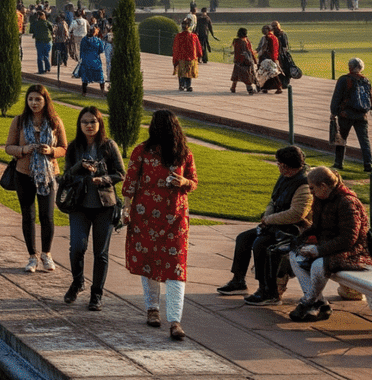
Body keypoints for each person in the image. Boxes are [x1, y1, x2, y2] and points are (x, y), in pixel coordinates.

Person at [123, 109, 198, 341]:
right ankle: (152, 308)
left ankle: (175, 320)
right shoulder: (142, 152)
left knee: (176, 267)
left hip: (175, 219)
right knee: (149, 262)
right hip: (146, 217)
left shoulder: (183, 154)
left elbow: (193, 182)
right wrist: (126, 208)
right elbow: (131, 182)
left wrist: (183, 181)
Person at [215, 145, 312, 305]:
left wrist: (270, 219)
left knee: (261, 244)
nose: (278, 166)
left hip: (295, 230)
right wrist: (267, 216)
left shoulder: (304, 184)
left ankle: (268, 291)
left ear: (287, 166)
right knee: (244, 238)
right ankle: (238, 280)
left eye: (279, 163)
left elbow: (297, 214)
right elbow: (273, 201)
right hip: (277, 225)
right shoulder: (285, 177)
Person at [287, 166, 370, 322]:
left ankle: (308, 302)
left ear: (323, 186)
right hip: (329, 247)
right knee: (294, 255)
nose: (310, 192)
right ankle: (320, 303)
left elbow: (348, 239)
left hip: (353, 252)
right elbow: (317, 227)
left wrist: (319, 250)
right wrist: (299, 240)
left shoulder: (348, 202)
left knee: (318, 265)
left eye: (312, 188)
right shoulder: (320, 199)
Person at [61, 106, 124, 310]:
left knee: (101, 253)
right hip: (79, 204)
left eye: (93, 122)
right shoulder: (74, 147)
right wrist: (80, 166)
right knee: (77, 248)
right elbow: (67, 176)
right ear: (80, 125)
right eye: (85, 122)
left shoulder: (109, 146)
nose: (89, 125)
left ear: (100, 123)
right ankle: (78, 281)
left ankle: (96, 293)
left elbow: (121, 174)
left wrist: (103, 179)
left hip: (104, 205)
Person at [4, 85, 67, 273]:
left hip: (48, 174)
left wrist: (51, 151)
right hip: (24, 173)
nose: (34, 103)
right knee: (28, 215)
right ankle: (32, 256)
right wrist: (23, 150)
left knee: (47, 216)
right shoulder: (20, 121)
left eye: (38, 99)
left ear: (45, 100)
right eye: (30, 99)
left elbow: (64, 147)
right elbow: (9, 146)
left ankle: (46, 254)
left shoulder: (55, 121)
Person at [330, 57, 371, 172]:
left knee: (341, 139)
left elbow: (337, 97)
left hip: (345, 115)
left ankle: (338, 163)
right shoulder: (365, 80)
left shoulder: (344, 79)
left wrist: (333, 112)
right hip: (362, 115)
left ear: (350, 67)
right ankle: (368, 164)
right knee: (364, 141)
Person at [172, 17, 203, 92]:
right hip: (191, 58)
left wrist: (175, 58)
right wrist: (199, 55)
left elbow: (175, 48)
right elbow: (198, 47)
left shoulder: (178, 36)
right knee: (189, 72)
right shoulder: (194, 36)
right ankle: (188, 85)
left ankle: (181, 85)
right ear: (189, 26)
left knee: (181, 72)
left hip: (181, 57)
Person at [76, 25, 106, 95]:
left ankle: (84, 93)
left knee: (85, 78)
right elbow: (101, 50)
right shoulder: (98, 40)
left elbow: (81, 50)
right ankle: (102, 92)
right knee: (100, 78)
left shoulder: (84, 40)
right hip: (96, 62)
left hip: (86, 61)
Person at [229, 27, 258, 94]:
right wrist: (254, 60)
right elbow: (250, 51)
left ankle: (233, 87)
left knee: (236, 74)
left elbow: (236, 50)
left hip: (238, 60)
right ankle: (249, 88)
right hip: (245, 61)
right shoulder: (246, 41)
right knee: (247, 74)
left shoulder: (236, 41)